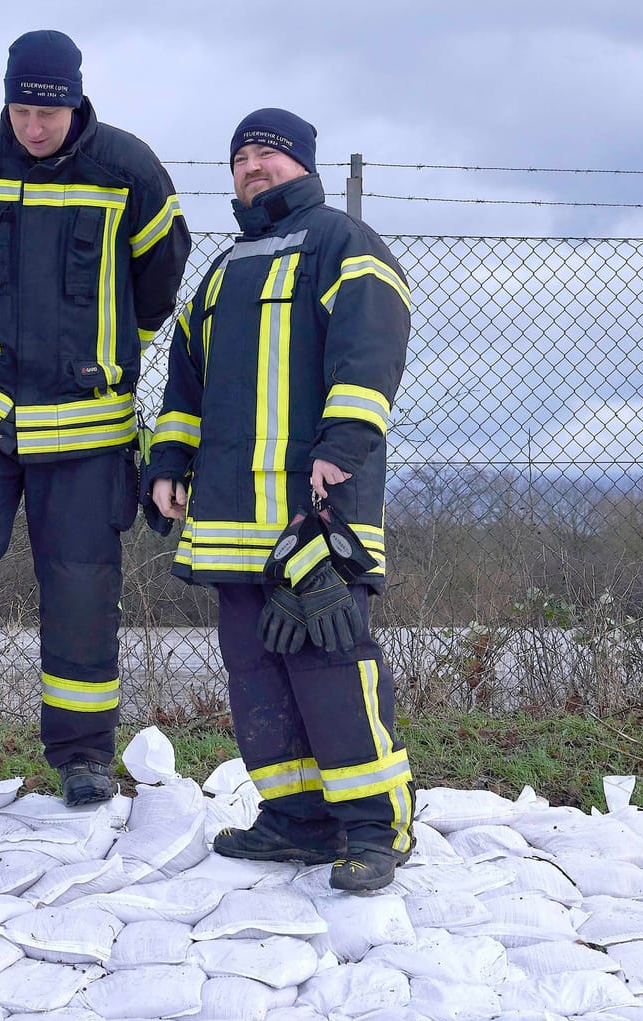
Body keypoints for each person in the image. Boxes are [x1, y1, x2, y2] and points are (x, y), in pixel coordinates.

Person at [0, 30, 191, 811]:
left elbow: (160, 279)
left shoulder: (130, 171)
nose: (33, 128)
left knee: (82, 587)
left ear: (77, 103)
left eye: (48, 115)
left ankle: (84, 757)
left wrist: (109, 347)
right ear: (7, 100)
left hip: (88, 424)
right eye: (22, 110)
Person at [143, 108, 414, 891]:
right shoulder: (222, 272)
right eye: (240, 157)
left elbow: (370, 355)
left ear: (302, 163)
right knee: (255, 672)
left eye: (267, 153)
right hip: (228, 522)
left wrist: (342, 450)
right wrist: (169, 461)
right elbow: (184, 385)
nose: (252, 166)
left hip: (315, 513)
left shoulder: (344, 244)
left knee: (333, 668)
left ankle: (374, 826)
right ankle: (297, 821)